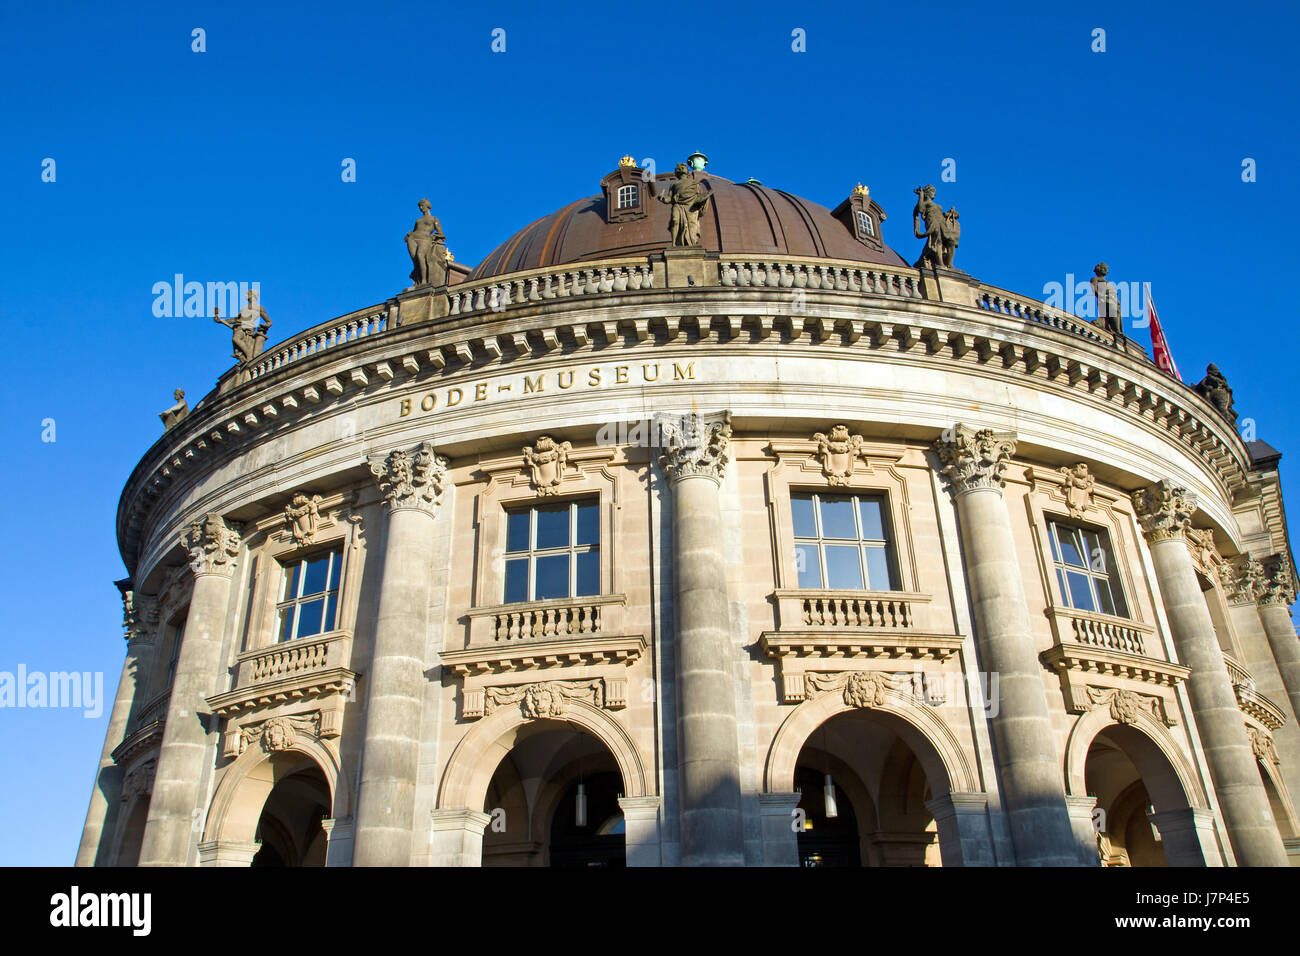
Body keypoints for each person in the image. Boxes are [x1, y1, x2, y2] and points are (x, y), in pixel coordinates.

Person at [656, 163, 712, 247]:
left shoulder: (695, 184)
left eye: (683, 167)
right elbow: (669, 198)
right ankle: (674, 244)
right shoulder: (674, 185)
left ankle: (691, 243)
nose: (681, 168)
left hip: (691, 206)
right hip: (678, 205)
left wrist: (705, 198)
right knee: (675, 220)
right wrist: (663, 198)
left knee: (691, 224)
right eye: (679, 168)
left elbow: (699, 197)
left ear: (687, 171)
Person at [405, 198, 447, 287]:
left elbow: (441, 233)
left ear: (427, 206)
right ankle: (418, 281)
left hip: (425, 239)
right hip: (413, 239)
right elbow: (415, 230)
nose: (421, 208)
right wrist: (409, 235)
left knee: (420, 256)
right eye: (419, 206)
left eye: (422, 205)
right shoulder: (418, 221)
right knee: (415, 261)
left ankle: (424, 281)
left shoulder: (434, 219)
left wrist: (434, 237)